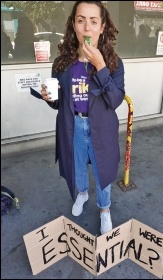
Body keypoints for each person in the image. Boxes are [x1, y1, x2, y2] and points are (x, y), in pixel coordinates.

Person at [41, 1, 125, 235]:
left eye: (93, 21)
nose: (87, 27)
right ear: (74, 26)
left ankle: (105, 208)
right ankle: (82, 194)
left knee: (103, 171)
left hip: (102, 127)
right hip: (73, 125)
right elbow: (59, 103)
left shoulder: (114, 63)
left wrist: (100, 66)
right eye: (81, 20)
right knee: (77, 166)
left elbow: (115, 100)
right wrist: (49, 97)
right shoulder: (62, 63)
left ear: (102, 26)